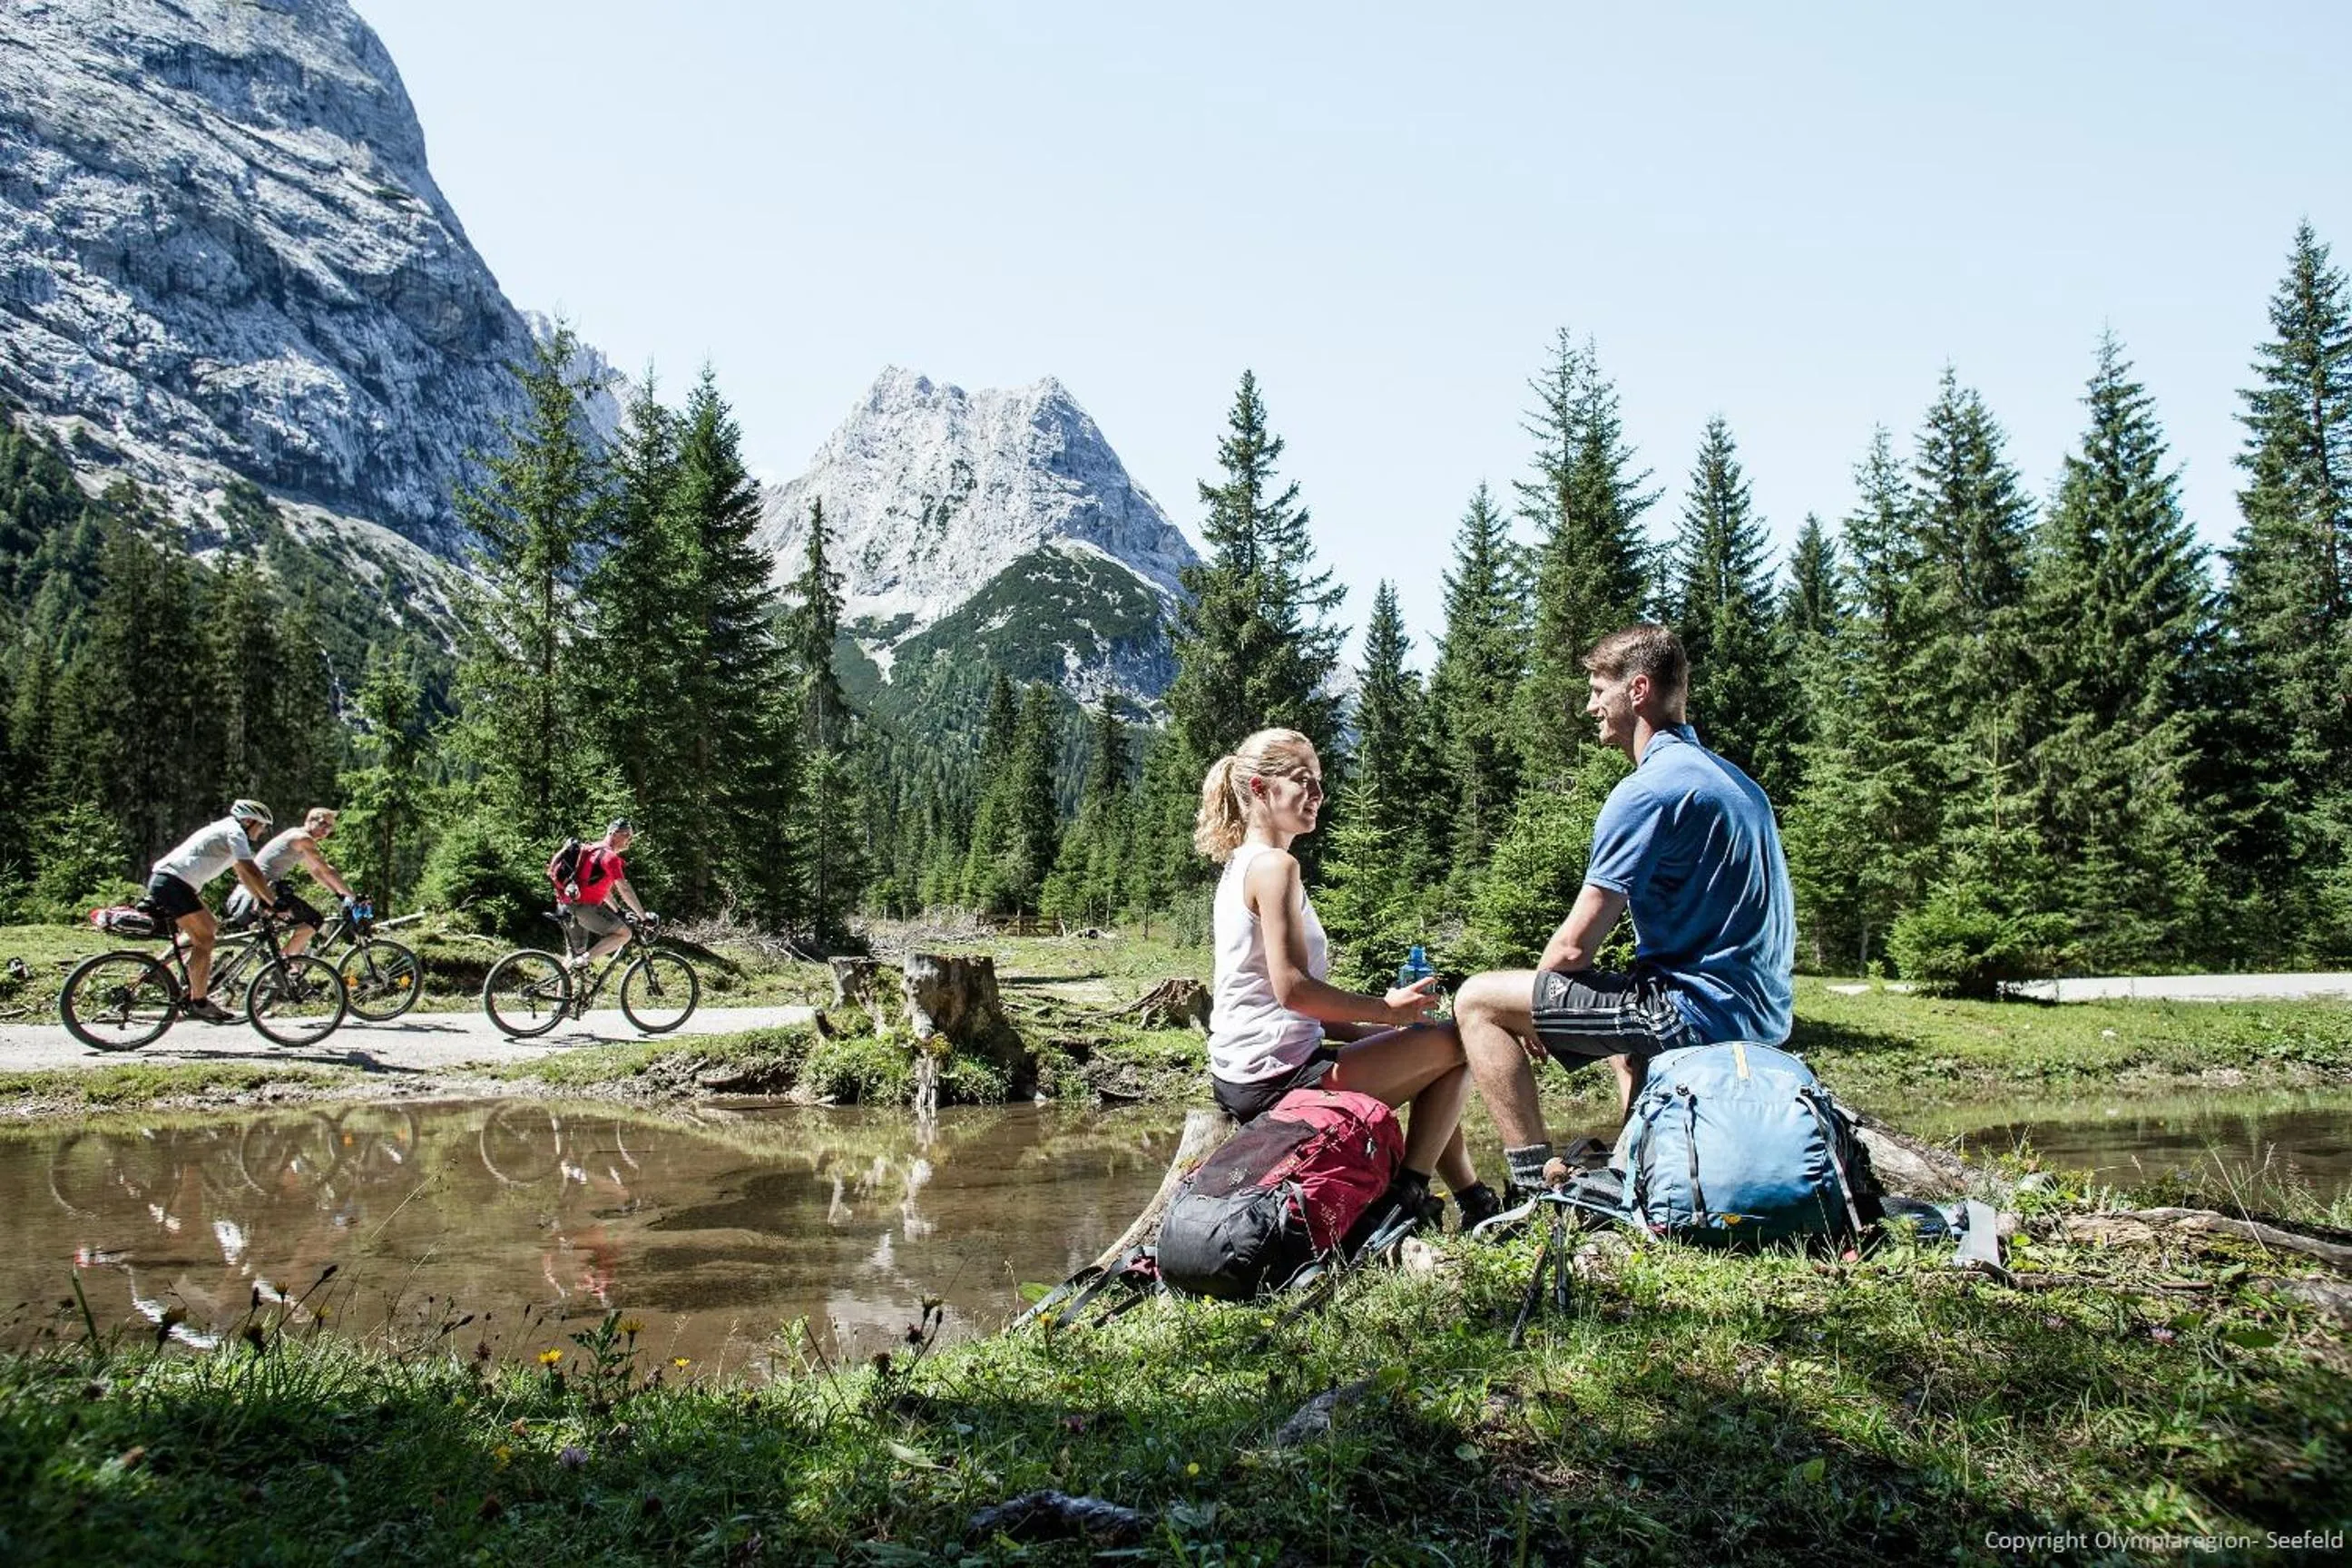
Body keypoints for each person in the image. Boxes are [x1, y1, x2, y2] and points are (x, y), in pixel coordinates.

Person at [1454, 624, 1795, 1204]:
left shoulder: (1648, 791)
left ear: (1637, 690)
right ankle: (1635, 1171)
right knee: (1624, 1017)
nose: (1590, 706)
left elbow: (1572, 950)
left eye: (1597, 690)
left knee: (1479, 1001)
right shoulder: (1739, 785)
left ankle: (1535, 1193)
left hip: (1693, 1014)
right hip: (1764, 1018)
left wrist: (1537, 1006)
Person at [1196, 728, 1500, 1230]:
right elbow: (1291, 990)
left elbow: (1273, 1005)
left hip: (1248, 1071)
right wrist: (1386, 1010)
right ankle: (1409, 1195)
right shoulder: (1275, 866)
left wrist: (1383, 1031)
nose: (1317, 794)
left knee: (1431, 1050)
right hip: (1276, 1078)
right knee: (1459, 1041)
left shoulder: (1243, 864)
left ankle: (1472, 1199)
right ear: (1258, 790)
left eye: (1318, 781)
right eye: (1301, 781)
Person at [146, 799, 280, 1024]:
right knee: (205, 939)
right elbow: (249, 868)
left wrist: (261, 899)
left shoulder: (228, 830)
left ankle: (159, 969)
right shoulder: (235, 831)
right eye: (261, 825)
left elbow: (243, 874)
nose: (263, 830)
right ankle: (198, 1001)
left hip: (173, 883)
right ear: (248, 821)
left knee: (210, 928)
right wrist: (274, 902)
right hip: (173, 883)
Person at [226, 808, 358, 957]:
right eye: (323, 824)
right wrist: (353, 896)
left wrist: (339, 894)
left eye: (330, 827)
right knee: (314, 920)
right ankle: (284, 964)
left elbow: (316, 872)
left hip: (253, 892)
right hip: (258, 894)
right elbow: (326, 870)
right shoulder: (302, 838)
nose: (326, 830)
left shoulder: (297, 836)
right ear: (309, 820)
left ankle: (290, 970)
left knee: (304, 923)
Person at [556, 818, 652, 969]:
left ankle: (562, 992)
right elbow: (624, 889)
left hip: (567, 905)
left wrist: (618, 910)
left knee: (573, 956)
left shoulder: (591, 849)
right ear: (614, 833)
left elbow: (599, 888)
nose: (630, 840)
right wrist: (643, 917)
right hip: (584, 907)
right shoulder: (610, 857)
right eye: (627, 835)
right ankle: (585, 960)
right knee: (624, 934)